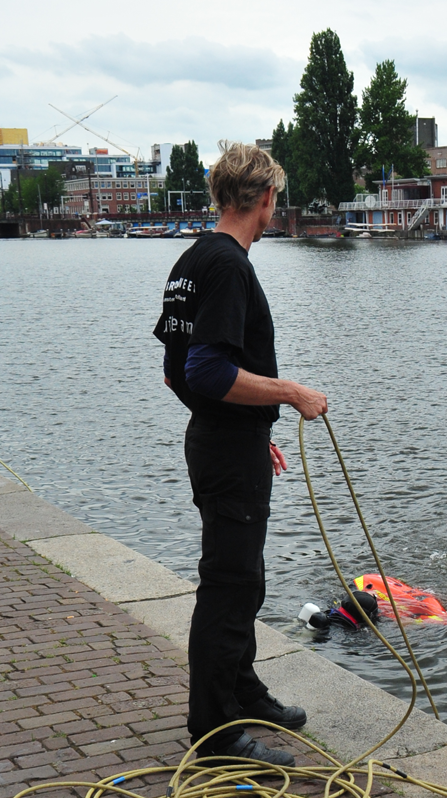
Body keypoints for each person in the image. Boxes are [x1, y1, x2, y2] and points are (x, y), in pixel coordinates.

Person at [153, 142, 327, 767]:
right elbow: (205, 366)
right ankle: (215, 732)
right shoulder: (229, 266)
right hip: (228, 451)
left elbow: (177, 375)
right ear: (267, 199)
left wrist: (251, 423)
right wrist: (289, 394)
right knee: (229, 587)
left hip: (223, 441)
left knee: (242, 581)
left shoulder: (192, 259)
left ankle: (244, 693)